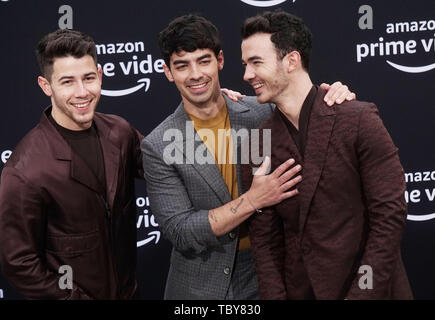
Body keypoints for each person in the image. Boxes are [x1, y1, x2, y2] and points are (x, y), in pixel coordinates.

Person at [141, 14, 355, 300]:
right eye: (181, 66)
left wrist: (334, 94)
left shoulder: (262, 111)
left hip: (269, 276)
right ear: (168, 72)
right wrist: (253, 200)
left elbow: (306, 101)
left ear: (220, 60)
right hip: (199, 287)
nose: (195, 74)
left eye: (203, 61)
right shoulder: (157, 144)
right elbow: (181, 231)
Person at [240, 10, 413, 299]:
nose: (247, 74)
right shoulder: (258, 143)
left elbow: (389, 216)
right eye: (245, 64)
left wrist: (361, 294)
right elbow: (265, 243)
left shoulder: (357, 118)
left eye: (256, 63)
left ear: (291, 61)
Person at [0, 29, 144, 299]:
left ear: (100, 76)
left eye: (89, 78)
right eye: (67, 82)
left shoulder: (120, 132)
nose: (82, 92)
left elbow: (170, 165)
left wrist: (212, 106)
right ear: (46, 86)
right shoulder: (24, 169)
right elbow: (19, 263)